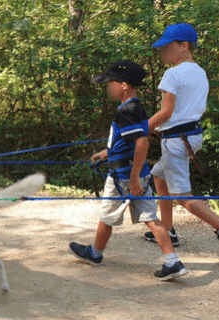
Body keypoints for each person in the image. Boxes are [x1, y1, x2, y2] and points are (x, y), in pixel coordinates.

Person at [141, 23, 219, 265]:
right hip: (191, 137)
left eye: (167, 47)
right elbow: (184, 112)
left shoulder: (172, 74)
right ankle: (168, 228)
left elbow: (167, 112)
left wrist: (142, 128)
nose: (162, 52)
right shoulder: (199, 72)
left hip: (176, 142)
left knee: (182, 196)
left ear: (184, 46)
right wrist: (158, 129)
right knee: (159, 177)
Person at [69, 60, 188, 280]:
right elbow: (130, 140)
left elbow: (142, 143)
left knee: (108, 215)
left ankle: (95, 254)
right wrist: (107, 153)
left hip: (123, 177)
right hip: (134, 174)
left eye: (110, 82)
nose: (107, 87)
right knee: (151, 218)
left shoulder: (127, 111)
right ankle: (172, 262)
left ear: (124, 85)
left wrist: (132, 178)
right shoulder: (135, 108)